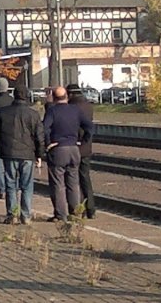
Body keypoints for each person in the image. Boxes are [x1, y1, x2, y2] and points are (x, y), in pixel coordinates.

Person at [0, 85, 44, 224]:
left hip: (8, 153)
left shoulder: (3, 112)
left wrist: (4, 142)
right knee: (27, 185)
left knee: (10, 184)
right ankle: (26, 215)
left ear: (14, 95)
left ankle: (12, 214)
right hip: (28, 154)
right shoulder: (33, 114)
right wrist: (39, 154)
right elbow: (39, 137)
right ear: (27, 96)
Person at [43, 86, 93, 221]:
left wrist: (48, 144)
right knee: (73, 183)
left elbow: (45, 128)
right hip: (74, 149)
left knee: (58, 184)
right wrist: (83, 141)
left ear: (53, 97)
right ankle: (75, 213)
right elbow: (89, 126)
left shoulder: (52, 111)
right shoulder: (75, 110)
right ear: (67, 96)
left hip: (58, 149)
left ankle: (60, 215)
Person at [66, 84, 96, 219]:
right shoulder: (89, 106)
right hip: (86, 147)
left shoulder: (71, 108)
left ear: (70, 94)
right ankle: (91, 209)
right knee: (85, 178)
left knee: (73, 180)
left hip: (73, 146)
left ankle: (80, 209)